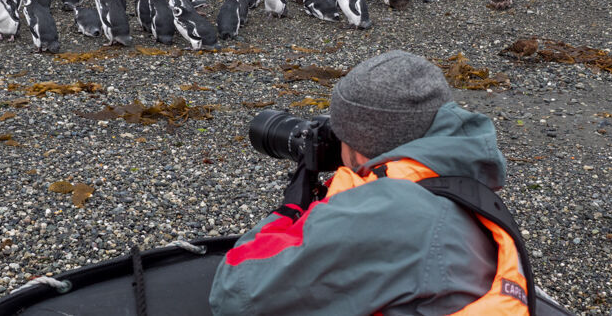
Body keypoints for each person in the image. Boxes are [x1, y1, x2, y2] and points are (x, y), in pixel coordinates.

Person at [209, 50, 530, 315]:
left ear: (363, 145)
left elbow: (235, 294)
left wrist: (290, 210)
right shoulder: (461, 182)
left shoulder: (387, 211)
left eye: (341, 135)